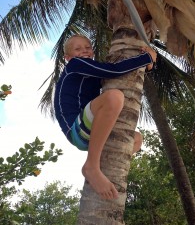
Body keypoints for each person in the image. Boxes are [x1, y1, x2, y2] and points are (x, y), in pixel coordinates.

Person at [54, 35, 157, 200]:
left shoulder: (91, 74)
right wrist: (147, 57)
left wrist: (147, 65)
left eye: (88, 47)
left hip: (90, 131)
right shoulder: (75, 65)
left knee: (136, 139)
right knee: (113, 97)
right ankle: (91, 166)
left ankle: (111, 191)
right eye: (78, 49)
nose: (84, 51)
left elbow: (121, 76)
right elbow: (114, 70)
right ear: (68, 57)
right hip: (76, 129)